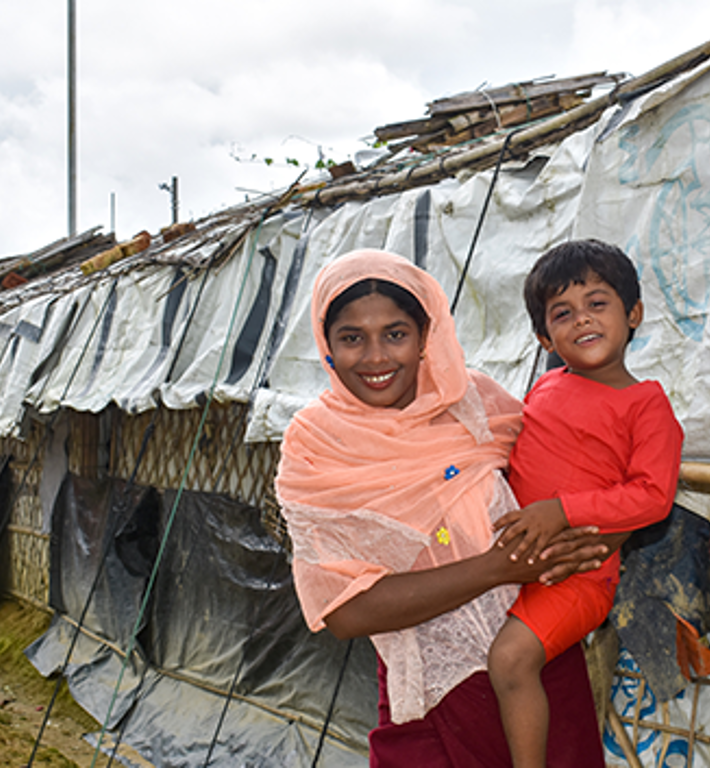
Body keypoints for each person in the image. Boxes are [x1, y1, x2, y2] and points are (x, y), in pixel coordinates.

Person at [275, 249, 615, 767]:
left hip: (542, 670)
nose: (375, 357)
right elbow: (346, 611)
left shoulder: (475, 404)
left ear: (424, 336)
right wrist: (496, 568)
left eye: (395, 333)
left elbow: (572, 486)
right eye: (351, 338)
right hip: (434, 697)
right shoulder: (317, 448)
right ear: (326, 345)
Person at [487, 239, 684, 768]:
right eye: (563, 313)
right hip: (512, 559)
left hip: (578, 576)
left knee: (509, 661)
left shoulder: (647, 404)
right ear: (543, 335)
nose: (582, 320)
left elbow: (652, 497)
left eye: (598, 303)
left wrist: (563, 511)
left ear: (633, 313)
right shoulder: (544, 386)